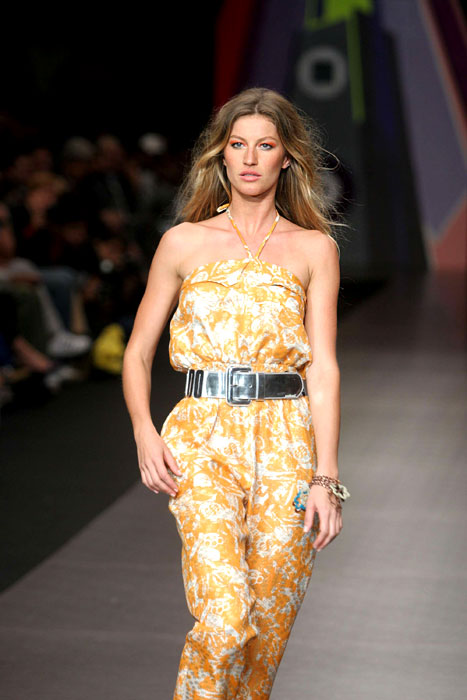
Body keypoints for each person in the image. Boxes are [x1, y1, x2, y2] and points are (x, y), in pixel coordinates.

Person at [122, 87, 350, 700]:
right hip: (201, 439)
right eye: (238, 144)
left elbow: (323, 368)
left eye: (265, 145)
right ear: (221, 155)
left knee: (263, 646)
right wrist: (144, 429)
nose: (250, 158)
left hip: (286, 444)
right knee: (225, 619)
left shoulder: (315, 249)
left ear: (287, 157)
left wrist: (326, 477)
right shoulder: (183, 242)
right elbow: (137, 352)